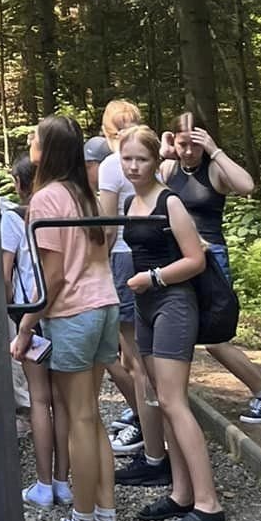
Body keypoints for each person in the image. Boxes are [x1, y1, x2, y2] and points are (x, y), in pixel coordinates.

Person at [13, 116, 119, 521]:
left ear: (48, 149)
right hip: (105, 304)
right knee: (91, 417)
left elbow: (52, 277)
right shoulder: (84, 193)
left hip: (74, 312)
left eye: (35, 138)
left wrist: (26, 326)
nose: (29, 141)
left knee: (78, 419)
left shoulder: (46, 199)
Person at [121, 124, 227, 521]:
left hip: (173, 303)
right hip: (145, 305)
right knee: (159, 400)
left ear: (155, 160)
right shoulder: (130, 201)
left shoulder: (171, 202)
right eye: (127, 158)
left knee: (174, 401)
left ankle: (209, 504)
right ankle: (181, 493)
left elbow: (195, 259)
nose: (134, 166)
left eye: (141, 159)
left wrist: (154, 278)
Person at [161, 115, 261, 422]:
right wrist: (164, 150)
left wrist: (214, 150)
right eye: (183, 144)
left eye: (195, 144)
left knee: (215, 338)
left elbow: (247, 185)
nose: (189, 151)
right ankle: (170, 400)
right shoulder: (169, 169)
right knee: (176, 329)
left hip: (210, 258)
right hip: (176, 257)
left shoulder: (213, 169)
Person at [94, 98, 169, 483]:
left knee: (138, 362)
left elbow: (109, 226)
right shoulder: (159, 163)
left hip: (126, 259)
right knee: (146, 360)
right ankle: (157, 443)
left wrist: (97, 268)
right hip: (154, 258)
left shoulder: (112, 164)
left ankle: (153, 451)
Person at [3, 154, 64, 513]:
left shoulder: (12, 218)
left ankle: (43, 485)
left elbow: (5, 277)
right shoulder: (60, 211)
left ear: (18, 183)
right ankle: (63, 481)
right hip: (64, 309)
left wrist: (11, 313)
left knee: (39, 400)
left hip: (31, 313)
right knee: (65, 402)